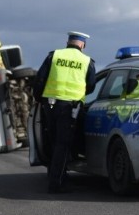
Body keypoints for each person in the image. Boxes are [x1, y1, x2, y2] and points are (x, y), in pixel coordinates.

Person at [33, 31, 96, 193]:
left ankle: (53, 174)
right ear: (83, 45)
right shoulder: (87, 61)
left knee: (52, 140)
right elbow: (91, 86)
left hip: (50, 105)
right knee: (63, 143)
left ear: (68, 42)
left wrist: (39, 98)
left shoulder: (54, 56)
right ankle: (56, 183)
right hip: (71, 107)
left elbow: (40, 79)